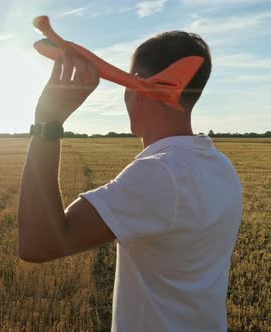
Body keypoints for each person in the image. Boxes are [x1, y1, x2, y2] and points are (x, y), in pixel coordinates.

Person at [17, 31, 243, 331]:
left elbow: (37, 244)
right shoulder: (221, 166)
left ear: (135, 84)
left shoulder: (161, 173)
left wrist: (47, 121)